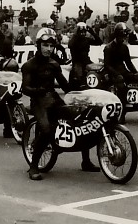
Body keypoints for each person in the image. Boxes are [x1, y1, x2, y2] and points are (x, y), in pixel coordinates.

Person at [22, 28, 100, 180]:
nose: (48, 49)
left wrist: (81, 92)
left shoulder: (54, 64)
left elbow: (65, 86)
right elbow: (25, 88)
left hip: (54, 100)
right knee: (46, 130)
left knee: (81, 120)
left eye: (51, 46)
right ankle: (33, 166)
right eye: (45, 45)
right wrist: (39, 91)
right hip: (38, 102)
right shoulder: (29, 65)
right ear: (38, 45)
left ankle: (86, 161)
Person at [103, 23, 138, 123]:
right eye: (122, 36)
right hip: (113, 74)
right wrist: (117, 74)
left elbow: (128, 63)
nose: (123, 39)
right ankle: (122, 114)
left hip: (124, 72)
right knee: (121, 87)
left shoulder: (124, 47)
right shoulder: (108, 48)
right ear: (117, 35)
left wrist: (136, 73)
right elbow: (107, 65)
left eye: (124, 36)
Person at [68, 22, 102, 90]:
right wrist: (76, 33)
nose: (83, 34)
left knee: (98, 71)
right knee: (79, 77)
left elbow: (99, 42)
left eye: (84, 32)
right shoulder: (74, 40)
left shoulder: (86, 39)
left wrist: (92, 32)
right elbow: (70, 45)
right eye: (81, 32)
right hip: (77, 62)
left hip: (87, 61)